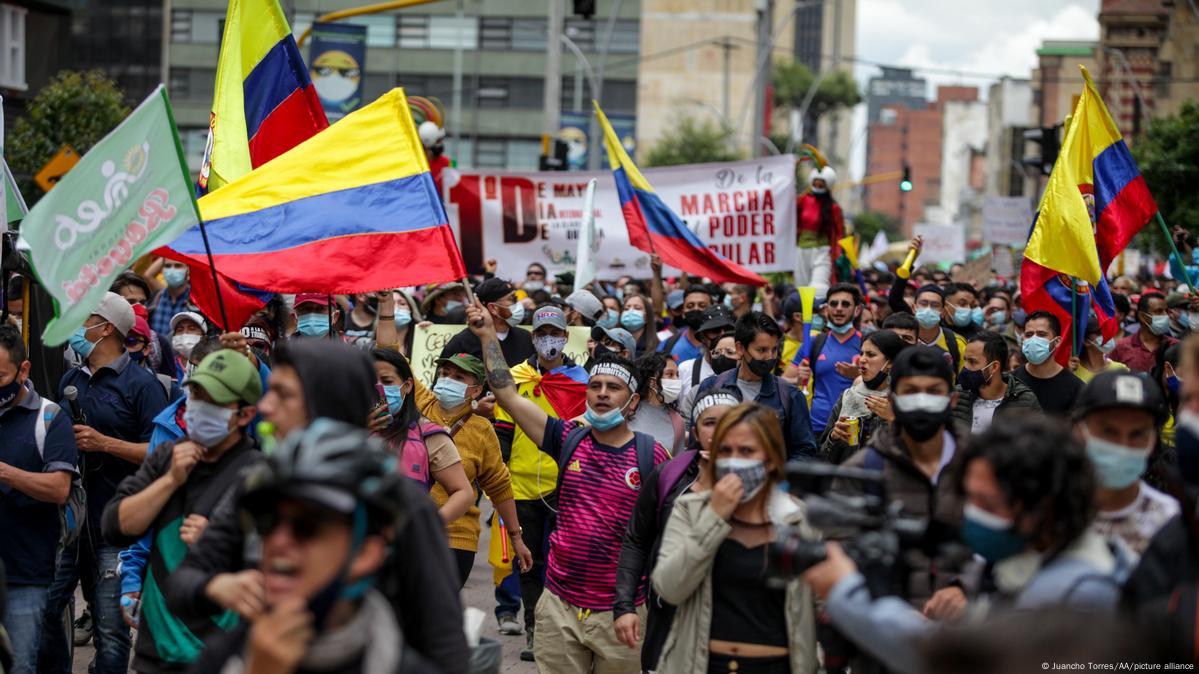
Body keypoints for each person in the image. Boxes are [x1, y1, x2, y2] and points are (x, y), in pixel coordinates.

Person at [163, 339, 471, 672]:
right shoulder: (259, 482)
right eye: (268, 522)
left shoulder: (398, 503)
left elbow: (445, 646)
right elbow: (182, 583)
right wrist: (217, 586)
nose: (264, 407)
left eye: (283, 394)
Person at [803, 416, 1132, 674]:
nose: (972, 515)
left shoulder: (1078, 593)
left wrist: (847, 593)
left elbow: (962, 658)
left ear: (1043, 508)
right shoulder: (1022, 564)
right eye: (969, 500)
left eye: (987, 504)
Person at [466, 298, 670, 673]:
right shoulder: (566, 438)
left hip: (620, 614)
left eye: (613, 388)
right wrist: (486, 337)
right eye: (595, 386)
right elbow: (506, 393)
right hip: (558, 609)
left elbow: (662, 538)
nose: (603, 393)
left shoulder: (652, 456)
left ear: (633, 401)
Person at [186, 420, 437, 674]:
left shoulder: (405, 666)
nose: (278, 540)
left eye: (308, 526)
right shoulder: (225, 653)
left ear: (365, 553)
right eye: (267, 521)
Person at [101, 349, 263, 673]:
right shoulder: (167, 456)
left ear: (244, 415)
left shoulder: (258, 474)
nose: (199, 408)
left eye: (214, 401)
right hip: (155, 653)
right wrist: (170, 481)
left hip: (219, 656)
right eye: (196, 395)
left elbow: (274, 567)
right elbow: (115, 526)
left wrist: (217, 544)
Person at [43, 292, 170, 674]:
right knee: (47, 609)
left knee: (111, 630)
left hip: (117, 525)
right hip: (71, 525)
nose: (78, 328)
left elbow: (160, 452)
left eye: (85, 319)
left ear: (107, 328)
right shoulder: (70, 379)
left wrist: (105, 444)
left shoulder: (142, 385)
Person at [652, 403, 820, 674]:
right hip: (701, 664)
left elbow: (824, 609)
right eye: (725, 451)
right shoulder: (692, 510)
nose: (734, 461)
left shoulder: (800, 520)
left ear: (771, 458)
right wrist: (714, 517)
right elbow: (669, 587)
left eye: (746, 451)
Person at [614, 389, 741, 673]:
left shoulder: (757, 485)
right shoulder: (668, 476)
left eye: (729, 422)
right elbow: (637, 540)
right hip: (669, 618)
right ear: (695, 430)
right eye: (710, 423)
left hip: (732, 623)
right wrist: (625, 605)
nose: (720, 431)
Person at [832, 346, 968, 610]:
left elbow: (1003, 552)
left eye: (933, 391)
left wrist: (965, 586)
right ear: (892, 400)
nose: (922, 400)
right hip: (884, 635)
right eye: (911, 391)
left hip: (966, 637)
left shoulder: (981, 467)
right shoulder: (862, 471)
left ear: (951, 400)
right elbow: (838, 565)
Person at [491, 305, 590, 657]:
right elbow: (502, 432)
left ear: (566, 337)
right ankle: (535, 631)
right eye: (542, 333)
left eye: (556, 333)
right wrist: (496, 482)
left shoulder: (583, 380)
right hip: (521, 487)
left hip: (568, 487)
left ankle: (568, 633)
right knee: (529, 563)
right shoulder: (515, 378)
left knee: (567, 562)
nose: (549, 339)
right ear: (533, 337)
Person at [411, 351, 534, 587]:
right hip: (411, 532)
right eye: (444, 373)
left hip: (456, 540)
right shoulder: (421, 405)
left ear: (476, 390)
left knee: (438, 614)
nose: (447, 380)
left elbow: (499, 486)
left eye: (459, 377)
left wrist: (516, 537)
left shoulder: (482, 431)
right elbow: (390, 353)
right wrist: (386, 313)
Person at [0, 325, 79, 674]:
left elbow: (59, 489)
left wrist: (5, 473)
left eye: (0, 375)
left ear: (24, 370)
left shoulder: (50, 419)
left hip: (26, 574)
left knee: (21, 665)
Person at [1071, 370, 1177, 559]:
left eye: (1137, 434)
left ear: (1153, 440)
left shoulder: (1170, 523)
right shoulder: (1050, 515)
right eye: (1108, 431)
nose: (1123, 446)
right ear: (1080, 432)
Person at [369, 348, 473, 524]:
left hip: (405, 544)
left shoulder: (427, 434)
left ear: (408, 386)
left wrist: (429, 527)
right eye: (370, 381)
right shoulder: (344, 427)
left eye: (387, 381)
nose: (379, 388)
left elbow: (463, 492)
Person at [695, 312, 816, 460]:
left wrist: (776, 474)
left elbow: (805, 451)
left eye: (774, 349)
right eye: (762, 350)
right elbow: (695, 444)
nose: (770, 357)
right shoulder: (712, 387)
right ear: (740, 348)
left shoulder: (790, 395)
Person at [820, 330, 905, 465]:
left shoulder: (903, 401)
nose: (862, 359)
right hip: (847, 481)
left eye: (870, 355)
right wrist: (833, 437)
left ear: (890, 363)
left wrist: (892, 419)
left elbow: (914, 456)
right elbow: (824, 459)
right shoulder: (848, 396)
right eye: (861, 353)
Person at [792, 284, 865, 437]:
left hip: (855, 428)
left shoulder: (867, 344)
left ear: (857, 310)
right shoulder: (812, 343)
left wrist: (859, 375)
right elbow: (784, 380)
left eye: (845, 304)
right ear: (826, 309)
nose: (839, 308)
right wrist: (798, 379)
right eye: (833, 303)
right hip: (818, 428)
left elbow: (884, 384)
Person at [952, 331, 1041, 434]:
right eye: (965, 360)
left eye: (972, 362)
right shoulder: (957, 395)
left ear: (994, 367)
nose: (965, 367)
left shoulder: (1025, 400)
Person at [439, 278, 535, 364]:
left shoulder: (527, 338)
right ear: (493, 308)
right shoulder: (462, 343)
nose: (518, 304)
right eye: (512, 299)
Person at [1011, 311, 1084, 416]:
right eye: (1029, 335)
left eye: (1041, 334)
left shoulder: (1076, 388)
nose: (1034, 339)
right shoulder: (1010, 382)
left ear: (1057, 341)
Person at [794, 164, 843, 296]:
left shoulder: (834, 208)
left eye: (821, 185)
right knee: (801, 289)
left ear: (827, 186)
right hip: (801, 250)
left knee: (819, 289)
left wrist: (838, 255)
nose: (818, 188)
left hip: (822, 252)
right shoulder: (803, 201)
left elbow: (839, 234)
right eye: (815, 184)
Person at [676, 304, 736, 400]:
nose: (722, 335)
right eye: (715, 330)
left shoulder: (747, 371)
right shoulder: (686, 369)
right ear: (702, 337)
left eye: (729, 330)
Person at [631, 353, 686, 455]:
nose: (676, 380)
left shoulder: (677, 421)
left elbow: (677, 465)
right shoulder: (628, 412)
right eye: (670, 374)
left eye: (677, 375)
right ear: (652, 381)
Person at [1111, 292, 1178, 373]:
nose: (1166, 315)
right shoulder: (1121, 347)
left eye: (1166, 311)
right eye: (1158, 311)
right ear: (1142, 316)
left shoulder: (1175, 346)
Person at [658, 285, 714, 364]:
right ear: (683, 313)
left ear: (712, 310)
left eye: (702, 305)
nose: (696, 309)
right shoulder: (667, 345)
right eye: (690, 306)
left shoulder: (723, 344)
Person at [1073, 315, 1127, 383]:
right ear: (1086, 341)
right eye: (1099, 333)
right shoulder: (1074, 372)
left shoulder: (1120, 369)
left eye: (1106, 332)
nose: (1105, 336)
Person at [149, 260, 191, 337]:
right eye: (167, 266)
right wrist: (168, 252)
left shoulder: (195, 301)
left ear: (188, 269)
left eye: (178, 266)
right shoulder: (157, 296)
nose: (172, 270)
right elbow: (148, 275)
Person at [373, 289, 421, 357]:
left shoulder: (421, 341)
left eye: (402, 303)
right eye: (391, 304)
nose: (396, 308)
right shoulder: (370, 347)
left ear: (411, 309)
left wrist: (428, 333)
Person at [169, 311, 207, 378]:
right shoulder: (168, 366)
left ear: (203, 336)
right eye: (180, 330)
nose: (185, 333)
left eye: (192, 329)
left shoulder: (211, 366)